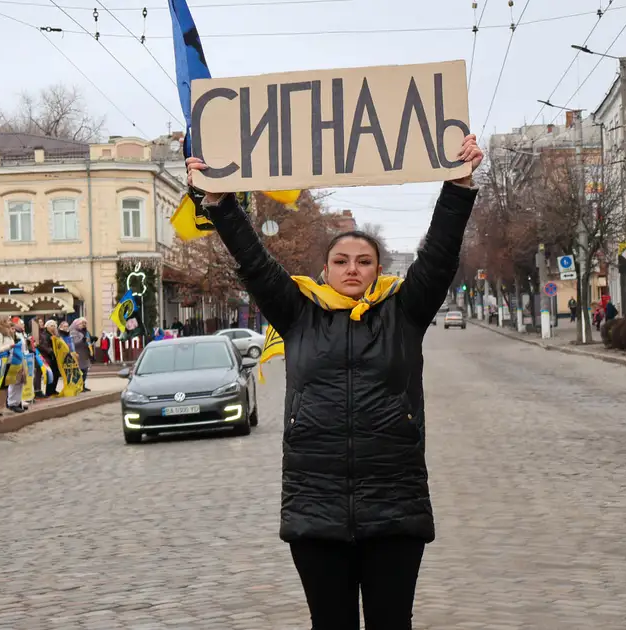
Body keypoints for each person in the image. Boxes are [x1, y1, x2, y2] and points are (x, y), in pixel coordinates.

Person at [185, 133, 483, 629]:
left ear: (378, 269)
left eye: (363, 261)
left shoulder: (404, 313)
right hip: (315, 506)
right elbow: (256, 266)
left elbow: (439, 259)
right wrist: (219, 204)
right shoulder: (298, 314)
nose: (352, 269)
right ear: (324, 270)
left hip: (394, 505)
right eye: (341, 261)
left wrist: (457, 186)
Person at [69, 317, 93, 392]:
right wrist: (83, 340)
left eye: (85, 323)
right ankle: (78, 386)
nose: (83, 325)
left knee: (85, 371)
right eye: (82, 323)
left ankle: (83, 385)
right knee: (79, 371)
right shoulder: (73, 332)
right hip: (78, 354)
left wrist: (92, 339)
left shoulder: (85, 332)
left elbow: (88, 340)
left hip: (85, 353)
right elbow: (74, 343)